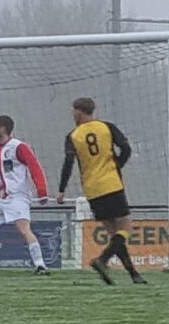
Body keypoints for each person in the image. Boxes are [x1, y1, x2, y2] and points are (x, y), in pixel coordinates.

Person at [61, 94, 145, 286]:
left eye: (73, 111)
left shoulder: (73, 136)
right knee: (125, 229)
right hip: (111, 184)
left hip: (92, 189)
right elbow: (126, 149)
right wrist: (116, 167)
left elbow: (68, 163)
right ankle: (103, 260)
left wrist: (61, 189)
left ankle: (134, 275)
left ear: (79, 112)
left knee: (113, 232)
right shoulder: (106, 127)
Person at [0, 112, 49, 274]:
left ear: (3, 129)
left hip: (19, 197)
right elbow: (1, 179)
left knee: (24, 230)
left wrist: (42, 192)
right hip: (5, 199)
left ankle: (40, 265)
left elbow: (35, 167)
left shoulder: (19, 147)